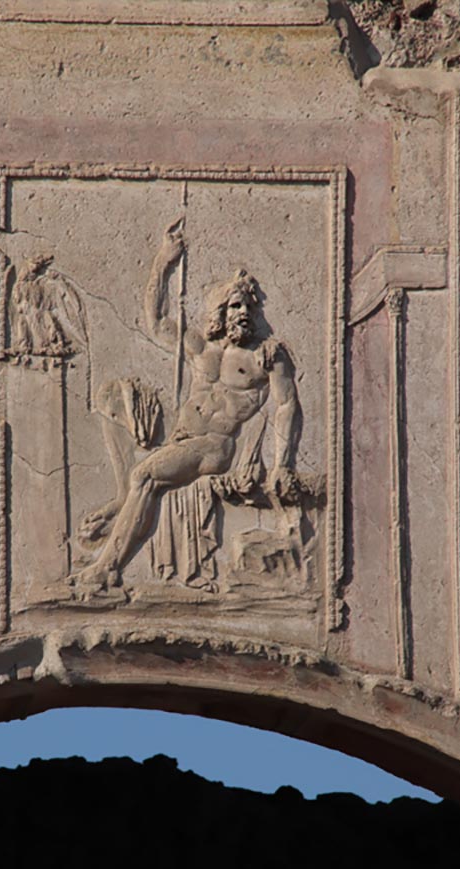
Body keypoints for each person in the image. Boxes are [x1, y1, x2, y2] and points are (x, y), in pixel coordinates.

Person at [75, 219, 302, 590]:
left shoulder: (266, 356)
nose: (242, 313)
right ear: (221, 313)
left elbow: (286, 406)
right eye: (234, 306)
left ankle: (107, 568)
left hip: (215, 447)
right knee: (118, 417)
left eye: (247, 307)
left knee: (143, 476)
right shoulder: (202, 350)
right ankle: (115, 520)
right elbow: (156, 321)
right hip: (182, 441)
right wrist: (163, 263)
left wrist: (283, 464)